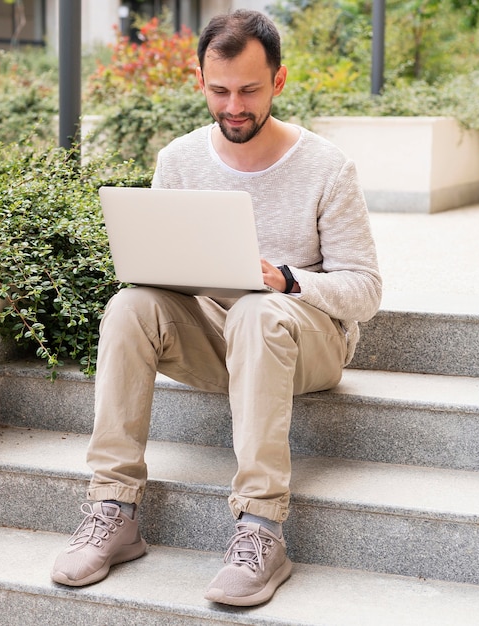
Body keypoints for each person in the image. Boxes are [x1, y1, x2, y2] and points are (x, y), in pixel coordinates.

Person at [51, 9, 382, 607]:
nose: (234, 105)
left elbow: (365, 290)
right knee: (130, 306)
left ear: (278, 83)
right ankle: (113, 508)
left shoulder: (327, 165)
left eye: (250, 90)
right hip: (216, 339)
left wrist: (282, 279)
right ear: (199, 80)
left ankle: (260, 529)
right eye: (219, 90)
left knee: (258, 312)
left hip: (308, 343)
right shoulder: (179, 159)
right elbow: (159, 271)